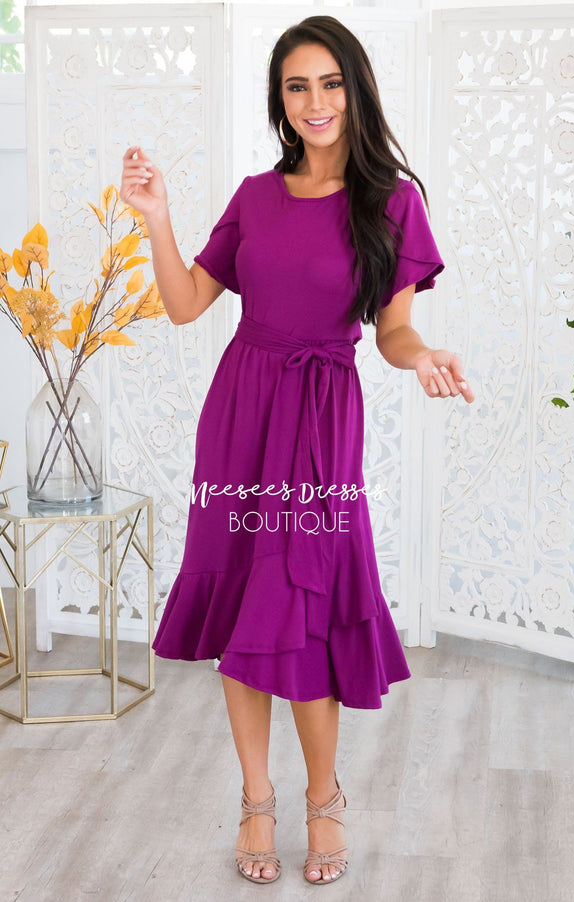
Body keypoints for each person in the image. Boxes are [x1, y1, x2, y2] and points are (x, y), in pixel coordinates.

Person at [120, 14, 473, 889]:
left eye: (330, 83)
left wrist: (423, 356)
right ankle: (255, 798)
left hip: (321, 425)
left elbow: (391, 331)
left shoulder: (391, 202)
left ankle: (324, 799)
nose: (315, 101)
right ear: (280, 100)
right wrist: (157, 219)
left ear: (355, 89)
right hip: (239, 418)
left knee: (305, 606)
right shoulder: (254, 195)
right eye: (296, 86)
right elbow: (185, 304)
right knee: (243, 601)